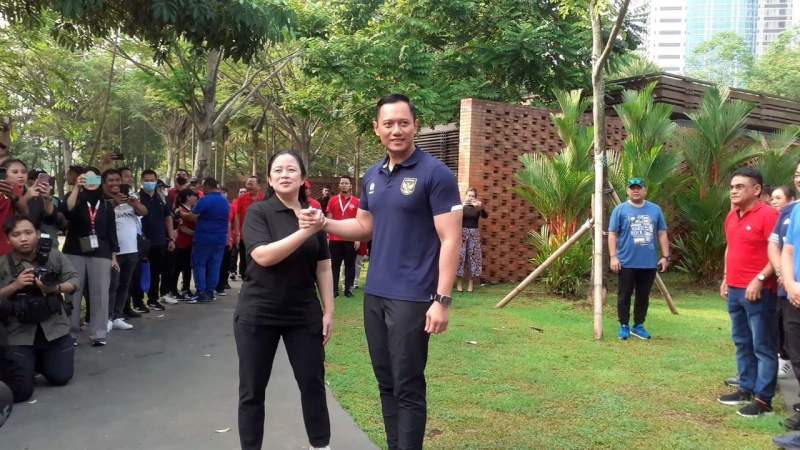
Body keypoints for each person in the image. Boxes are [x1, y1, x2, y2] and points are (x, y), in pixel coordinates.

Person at [301, 94, 462, 450]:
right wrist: (324, 222)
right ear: (377, 129)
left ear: (415, 125)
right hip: (375, 294)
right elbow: (363, 227)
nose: (396, 130)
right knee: (385, 381)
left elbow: (451, 240)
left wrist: (442, 300)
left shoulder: (436, 174)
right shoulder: (372, 175)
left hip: (414, 296)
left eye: (403, 122)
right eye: (388, 123)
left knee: (408, 384)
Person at [235, 150, 335, 450]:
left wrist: (329, 310)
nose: (284, 174)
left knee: (312, 383)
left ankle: (321, 445)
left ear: (303, 178)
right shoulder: (259, 212)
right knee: (252, 390)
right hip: (258, 312)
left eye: (291, 169)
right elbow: (264, 256)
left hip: (303, 313)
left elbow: (324, 265)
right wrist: (305, 231)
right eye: (278, 170)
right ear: (269, 178)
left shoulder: (314, 213)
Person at [718, 167, 779, 418]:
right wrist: (725, 278)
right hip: (734, 288)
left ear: (756, 190)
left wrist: (760, 279)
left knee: (763, 345)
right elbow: (730, 248)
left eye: (740, 186)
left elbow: (777, 253)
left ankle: (764, 399)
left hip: (759, 291)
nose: (733, 191)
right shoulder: (732, 215)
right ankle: (746, 387)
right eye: (732, 187)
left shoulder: (769, 215)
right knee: (742, 341)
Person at [0, 215, 79, 401]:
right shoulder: (2, 263)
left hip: (54, 329)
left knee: (60, 377)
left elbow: (74, 280)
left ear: (37, 234)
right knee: (21, 391)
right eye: (16, 234)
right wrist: (15, 286)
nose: (23, 238)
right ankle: (28, 363)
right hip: (19, 333)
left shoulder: (54, 255)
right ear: (8, 238)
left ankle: (41, 362)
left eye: (28, 232)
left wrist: (54, 288)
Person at [63, 167, 119, 347]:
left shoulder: (106, 203)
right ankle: (70, 332)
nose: (90, 182)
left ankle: (98, 333)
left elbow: (112, 231)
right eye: (86, 178)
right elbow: (67, 210)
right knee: (73, 291)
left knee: (100, 292)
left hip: (101, 251)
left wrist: (114, 256)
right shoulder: (75, 198)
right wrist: (76, 188)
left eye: (94, 178)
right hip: (75, 250)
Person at [608, 178, 670, 340]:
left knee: (643, 296)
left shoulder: (655, 210)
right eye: (632, 188)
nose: (635, 191)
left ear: (645, 190)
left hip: (648, 263)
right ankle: (624, 326)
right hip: (626, 262)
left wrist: (665, 256)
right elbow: (612, 234)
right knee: (624, 295)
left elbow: (662, 233)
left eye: (639, 188)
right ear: (627, 191)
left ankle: (638, 325)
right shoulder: (620, 210)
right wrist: (613, 257)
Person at [103, 169, 148, 329]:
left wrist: (134, 203)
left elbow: (144, 212)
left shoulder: (131, 198)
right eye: (112, 180)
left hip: (131, 249)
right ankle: (107, 318)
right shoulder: (103, 201)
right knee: (112, 285)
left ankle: (117, 316)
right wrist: (114, 202)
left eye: (117, 180)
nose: (115, 183)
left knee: (125, 284)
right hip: (113, 252)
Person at [132, 169, 176, 311]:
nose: (149, 183)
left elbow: (168, 217)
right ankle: (138, 302)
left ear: (156, 181)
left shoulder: (161, 198)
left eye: (152, 180)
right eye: (146, 180)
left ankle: (153, 299)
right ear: (141, 181)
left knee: (156, 272)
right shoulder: (137, 197)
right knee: (139, 272)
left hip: (159, 240)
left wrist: (171, 238)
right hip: (142, 242)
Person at [186, 177, 229, 303]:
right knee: (215, 265)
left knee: (199, 265)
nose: (201, 189)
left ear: (208, 186)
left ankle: (201, 292)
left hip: (204, 238)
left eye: (203, 187)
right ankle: (210, 292)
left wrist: (182, 214)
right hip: (220, 238)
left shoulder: (205, 200)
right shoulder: (224, 201)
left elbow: (193, 215)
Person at [326, 176, 360, 298]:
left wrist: (358, 238)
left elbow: (359, 221)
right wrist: (328, 236)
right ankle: (334, 290)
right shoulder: (332, 200)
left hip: (351, 238)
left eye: (346, 183)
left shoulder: (357, 202)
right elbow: (328, 218)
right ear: (339, 185)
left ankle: (348, 290)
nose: (344, 185)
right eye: (342, 183)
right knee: (334, 266)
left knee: (350, 266)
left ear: (350, 186)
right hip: (335, 239)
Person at [456, 187, 488, 293]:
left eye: (473, 196)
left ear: (476, 197)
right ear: (465, 196)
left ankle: (470, 284)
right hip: (462, 233)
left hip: (474, 233)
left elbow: (485, 216)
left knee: (473, 258)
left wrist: (480, 207)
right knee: (460, 258)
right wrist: (463, 205)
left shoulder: (477, 207)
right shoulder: (461, 206)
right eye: (469, 195)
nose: (471, 197)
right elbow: (454, 217)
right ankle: (459, 283)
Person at [234, 176, 265, 281]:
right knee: (244, 258)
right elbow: (237, 215)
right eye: (247, 184)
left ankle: (259, 280)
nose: (249, 186)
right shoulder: (241, 199)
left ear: (259, 186)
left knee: (259, 258)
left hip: (260, 235)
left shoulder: (264, 199)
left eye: (252, 183)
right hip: (244, 235)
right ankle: (245, 279)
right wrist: (237, 232)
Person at [172, 189, 198, 299]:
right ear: (188, 197)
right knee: (178, 267)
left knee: (187, 267)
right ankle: (174, 290)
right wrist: (197, 234)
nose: (196, 198)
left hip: (189, 243)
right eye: (194, 196)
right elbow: (182, 228)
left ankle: (185, 288)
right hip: (181, 243)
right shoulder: (180, 210)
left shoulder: (190, 209)